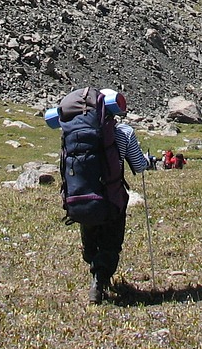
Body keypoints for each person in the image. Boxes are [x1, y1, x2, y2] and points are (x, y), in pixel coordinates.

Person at [53, 86, 158, 304]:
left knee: (91, 234)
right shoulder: (123, 132)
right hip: (112, 198)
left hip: (81, 196)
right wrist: (148, 161)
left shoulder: (71, 131)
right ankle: (99, 280)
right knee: (111, 244)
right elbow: (138, 166)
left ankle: (94, 265)